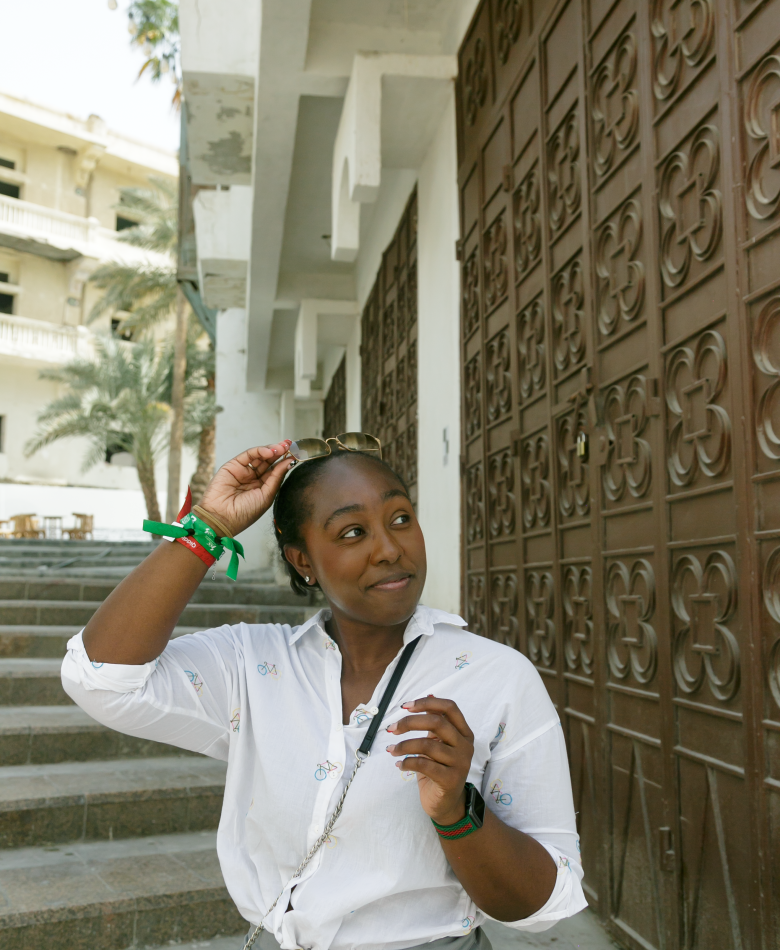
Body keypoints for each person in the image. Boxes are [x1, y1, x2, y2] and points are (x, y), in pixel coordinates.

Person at [62, 439, 587, 950]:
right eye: (353, 532)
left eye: (401, 518)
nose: (389, 549)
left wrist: (457, 811)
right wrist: (208, 528)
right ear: (302, 560)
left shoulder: (496, 678)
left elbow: (546, 904)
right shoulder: (254, 665)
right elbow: (101, 676)